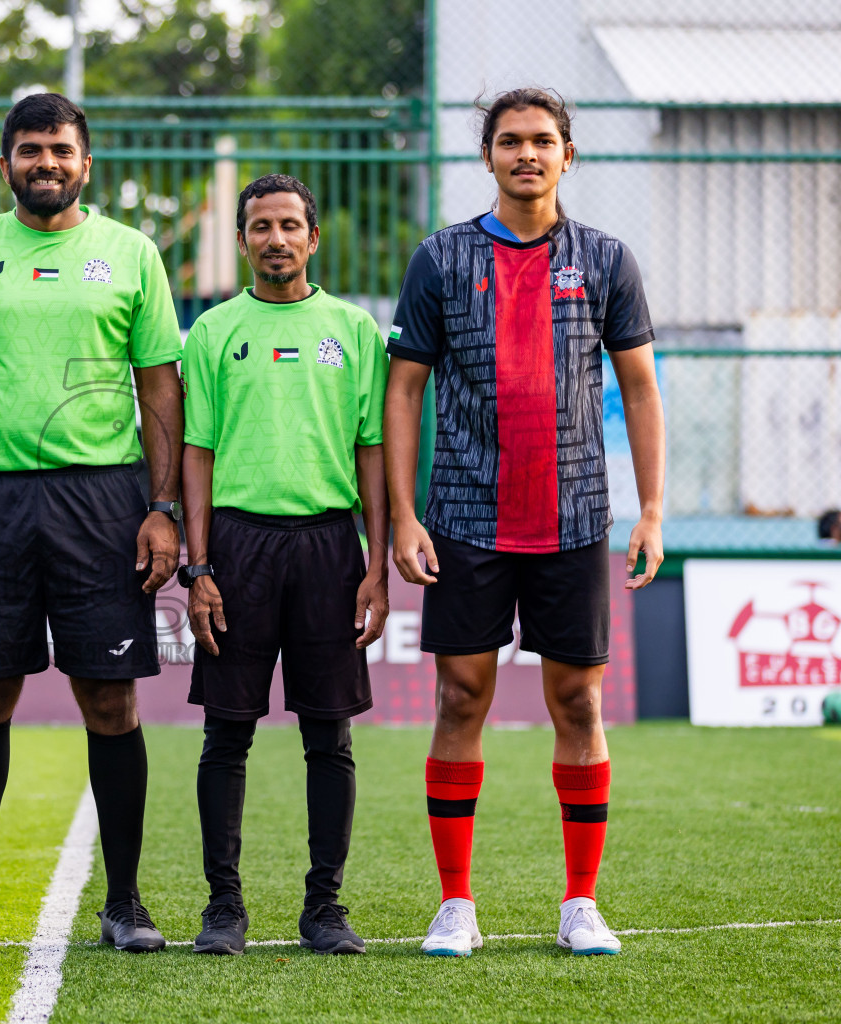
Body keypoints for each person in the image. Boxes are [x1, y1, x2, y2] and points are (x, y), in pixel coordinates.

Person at [0, 93, 184, 953]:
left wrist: (163, 510)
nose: (46, 163)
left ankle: (125, 902)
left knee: (110, 698)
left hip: (103, 499)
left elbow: (161, 389)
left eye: (60, 149)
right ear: (5, 164)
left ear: (85, 163)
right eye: (30, 150)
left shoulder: (131, 255)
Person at [384, 89, 666, 957]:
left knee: (578, 703)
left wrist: (652, 509)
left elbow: (641, 387)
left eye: (543, 141)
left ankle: (581, 901)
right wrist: (402, 515)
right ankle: (455, 903)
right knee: (460, 697)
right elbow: (403, 390)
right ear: (489, 156)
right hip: (466, 516)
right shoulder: (440, 258)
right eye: (511, 141)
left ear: (568, 156)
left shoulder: (607, 260)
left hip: (576, 518)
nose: (527, 154)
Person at [181, 174, 390, 956]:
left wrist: (376, 563)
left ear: (313, 238)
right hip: (237, 547)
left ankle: (324, 907)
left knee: (329, 737)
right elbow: (195, 455)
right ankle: (224, 908)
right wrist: (199, 566)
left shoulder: (354, 331)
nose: (276, 239)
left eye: (289, 226)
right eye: (260, 226)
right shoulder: (211, 333)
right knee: (225, 734)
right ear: (241, 241)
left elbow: (372, 450)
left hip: (330, 546)